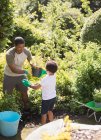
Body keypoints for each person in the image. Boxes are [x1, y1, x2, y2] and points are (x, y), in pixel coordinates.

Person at [3, 37, 34, 111]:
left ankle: (27, 109)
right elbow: (14, 70)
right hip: (9, 75)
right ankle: (9, 111)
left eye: (23, 46)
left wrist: (35, 68)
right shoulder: (9, 54)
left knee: (24, 92)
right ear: (15, 46)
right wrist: (26, 72)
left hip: (21, 75)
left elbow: (32, 62)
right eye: (20, 47)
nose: (22, 48)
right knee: (7, 95)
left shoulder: (26, 51)